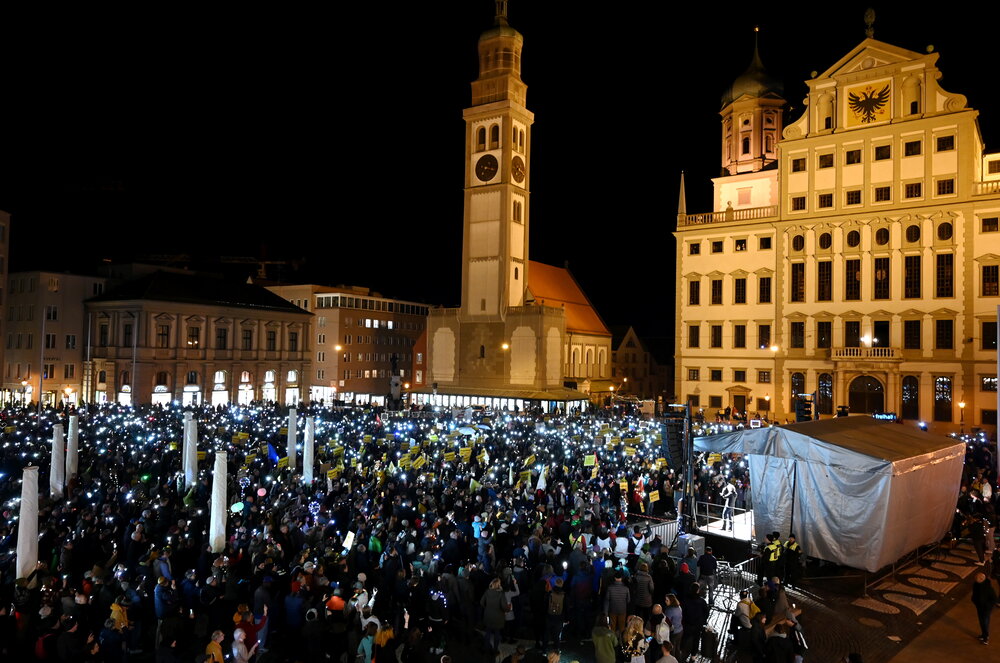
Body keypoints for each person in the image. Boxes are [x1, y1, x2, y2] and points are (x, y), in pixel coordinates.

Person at [972, 571, 998, 644]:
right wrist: (975, 601)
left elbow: (994, 599)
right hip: (979, 607)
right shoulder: (976, 585)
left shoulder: (988, 589)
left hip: (986, 609)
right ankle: (983, 635)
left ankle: (986, 637)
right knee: (982, 621)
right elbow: (975, 594)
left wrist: (987, 606)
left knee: (985, 622)